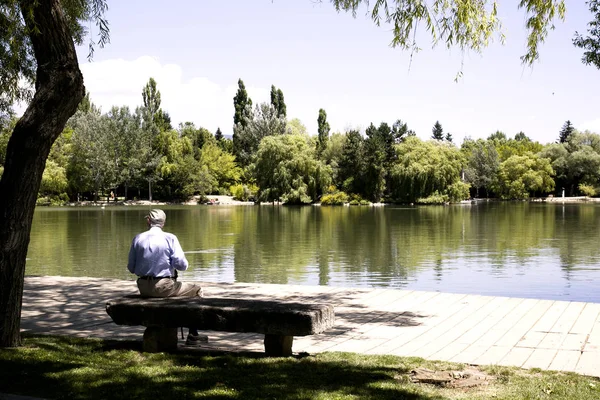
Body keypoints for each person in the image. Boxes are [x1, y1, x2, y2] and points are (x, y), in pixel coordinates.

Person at [127, 209, 206, 346]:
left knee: (174, 290)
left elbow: (131, 268)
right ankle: (193, 334)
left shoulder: (138, 238)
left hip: (143, 287)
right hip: (163, 286)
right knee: (196, 290)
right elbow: (181, 265)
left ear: (148, 221)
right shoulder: (170, 238)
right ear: (163, 223)